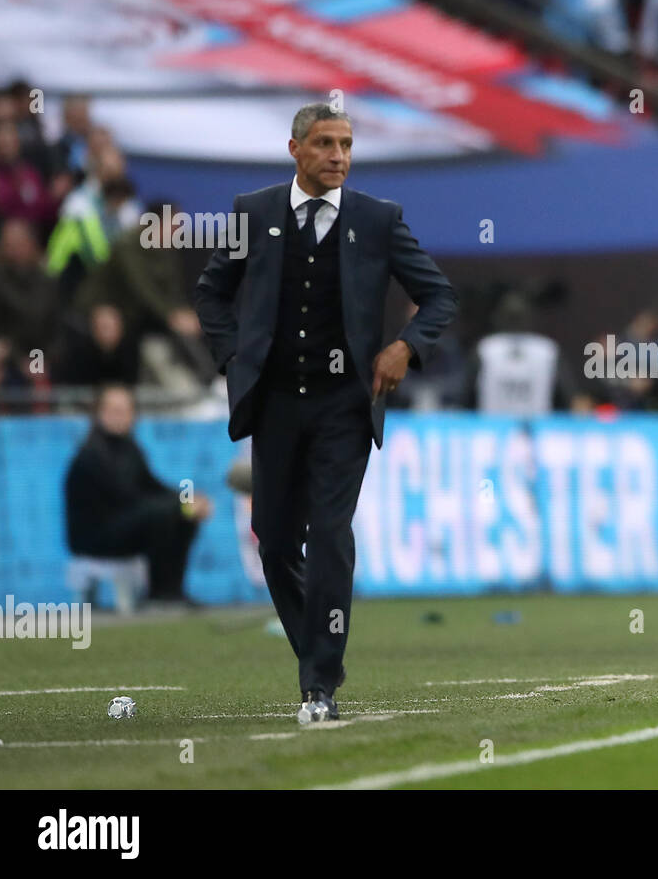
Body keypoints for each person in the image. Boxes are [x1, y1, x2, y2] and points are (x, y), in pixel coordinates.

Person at [193, 103, 457, 724]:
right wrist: (235, 358)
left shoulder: (379, 219)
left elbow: (439, 295)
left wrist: (405, 346)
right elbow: (211, 292)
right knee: (275, 538)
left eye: (345, 144)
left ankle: (319, 680)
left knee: (330, 531)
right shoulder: (252, 213)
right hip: (278, 401)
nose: (338, 155)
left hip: (345, 405)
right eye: (324, 143)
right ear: (295, 149)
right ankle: (317, 652)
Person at [64, 383, 211, 605]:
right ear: (99, 413)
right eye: (113, 410)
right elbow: (127, 496)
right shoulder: (91, 454)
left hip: (127, 526)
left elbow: (153, 485)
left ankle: (173, 591)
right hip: (96, 536)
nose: (120, 417)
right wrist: (179, 504)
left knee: (185, 514)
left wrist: (189, 499)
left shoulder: (131, 449)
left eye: (125, 410)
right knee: (162, 512)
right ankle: (158, 594)